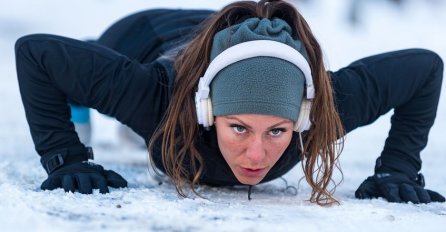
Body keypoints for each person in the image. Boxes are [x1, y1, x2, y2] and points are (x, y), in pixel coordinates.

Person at [14, 0, 444, 206]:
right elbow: (36, 52)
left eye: (277, 130)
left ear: (302, 117)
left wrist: (398, 168)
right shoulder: (152, 96)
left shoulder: (324, 109)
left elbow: (425, 68)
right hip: (146, 36)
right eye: (238, 127)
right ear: (207, 112)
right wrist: (65, 157)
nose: (257, 156)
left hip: (226, 44)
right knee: (99, 85)